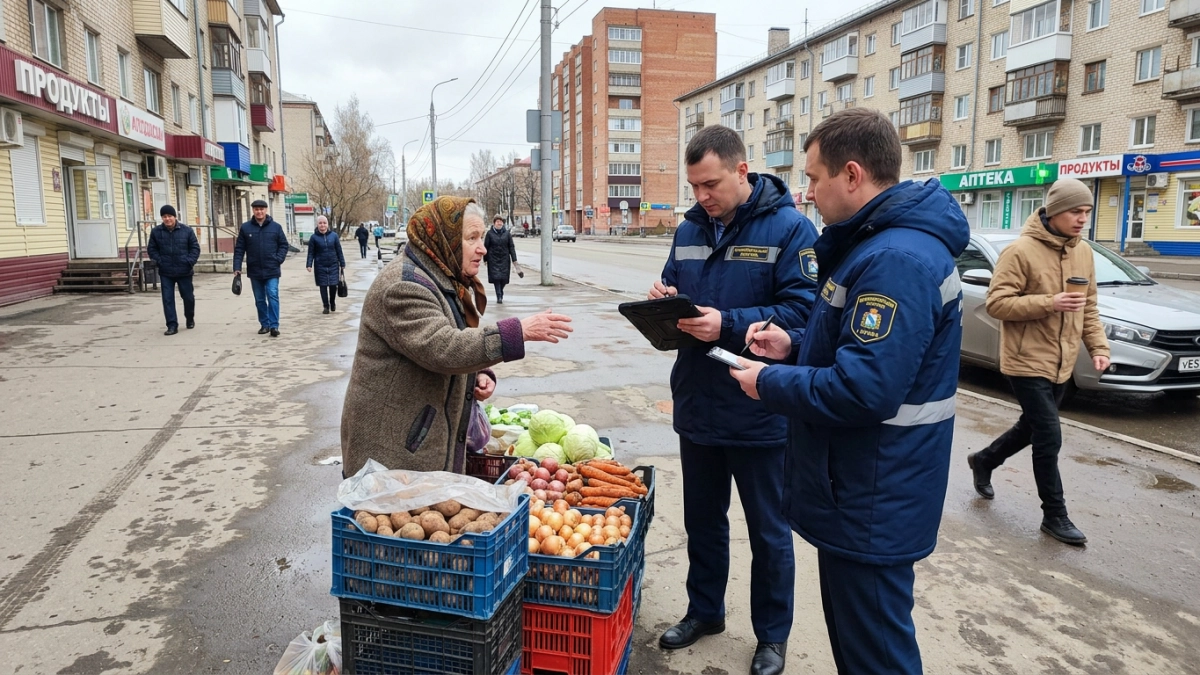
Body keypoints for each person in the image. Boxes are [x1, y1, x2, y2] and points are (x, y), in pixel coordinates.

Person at [728, 108, 969, 675]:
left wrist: (767, 382)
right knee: (861, 648)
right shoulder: (877, 244)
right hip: (863, 487)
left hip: (874, 493)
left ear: (853, 175)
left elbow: (864, 389)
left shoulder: (894, 259)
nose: (808, 193)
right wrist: (794, 345)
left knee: (876, 656)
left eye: (814, 178)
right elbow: (858, 350)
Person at [647, 124, 818, 675]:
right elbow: (677, 287)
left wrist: (728, 324)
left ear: (742, 171)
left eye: (711, 184)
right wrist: (665, 300)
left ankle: (772, 636)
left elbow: (805, 313)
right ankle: (705, 611)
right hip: (698, 401)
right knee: (703, 521)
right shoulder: (689, 229)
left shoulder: (790, 228)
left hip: (760, 406)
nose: (702, 196)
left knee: (769, 532)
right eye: (695, 186)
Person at [341, 197, 574, 475]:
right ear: (445, 239)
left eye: (482, 237)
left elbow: (448, 337)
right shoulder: (403, 286)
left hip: (410, 451)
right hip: (390, 459)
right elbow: (443, 348)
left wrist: (477, 374)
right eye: (472, 238)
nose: (482, 248)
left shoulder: (441, 276)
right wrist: (518, 332)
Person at [967, 178, 1111, 546]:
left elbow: (1088, 307)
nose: (1083, 219)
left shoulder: (1083, 252)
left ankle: (984, 460)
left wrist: (1098, 347)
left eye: (1087, 212)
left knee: (1030, 428)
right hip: (1025, 359)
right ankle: (1055, 515)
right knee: (1048, 435)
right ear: (1054, 211)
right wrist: (1050, 302)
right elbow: (997, 303)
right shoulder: (1020, 251)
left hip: (1062, 361)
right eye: (1075, 211)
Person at [233, 199, 289, 337]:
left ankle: (274, 326)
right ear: (253, 210)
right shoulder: (246, 228)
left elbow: (283, 245)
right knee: (259, 299)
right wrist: (237, 267)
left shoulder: (276, 227)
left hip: (272, 269)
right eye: (256, 209)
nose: (259, 212)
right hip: (255, 269)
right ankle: (265, 324)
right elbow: (239, 249)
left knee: (273, 295)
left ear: (266, 210)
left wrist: (278, 259)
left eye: (261, 209)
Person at [146, 204, 200, 336]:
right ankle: (172, 325)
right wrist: (159, 261)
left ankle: (190, 317)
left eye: (169, 216)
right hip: (166, 271)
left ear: (175, 217)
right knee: (167, 299)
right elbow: (152, 249)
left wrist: (189, 262)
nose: (167, 219)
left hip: (184, 271)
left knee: (188, 297)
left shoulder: (187, 231)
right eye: (164, 216)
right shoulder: (156, 232)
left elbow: (195, 248)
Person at [307, 215, 346, 314]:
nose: (322, 225)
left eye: (324, 223)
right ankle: (326, 306)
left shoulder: (334, 236)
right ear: (317, 225)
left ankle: (332, 302)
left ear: (327, 224)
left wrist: (342, 263)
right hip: (320, 265)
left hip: (333, 264)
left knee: (333, 285)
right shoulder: (314, 238)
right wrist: (309, 264)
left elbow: (339, 250)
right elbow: (311, 252)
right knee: (323, 286)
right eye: (320, 223)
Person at [484, 214, 521, 303]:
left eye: (501, 222)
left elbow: (511, 247)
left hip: (504, 259)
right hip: (493, 259)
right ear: (494, 223)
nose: (499, 223)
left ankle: (501, 290)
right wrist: (485, 259)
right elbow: (486, 246)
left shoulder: (507, 234)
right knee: (496, 278)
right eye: (497, 222)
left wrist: (514, 259)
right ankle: (499, 296)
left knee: (504, 279)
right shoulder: (489, 234)